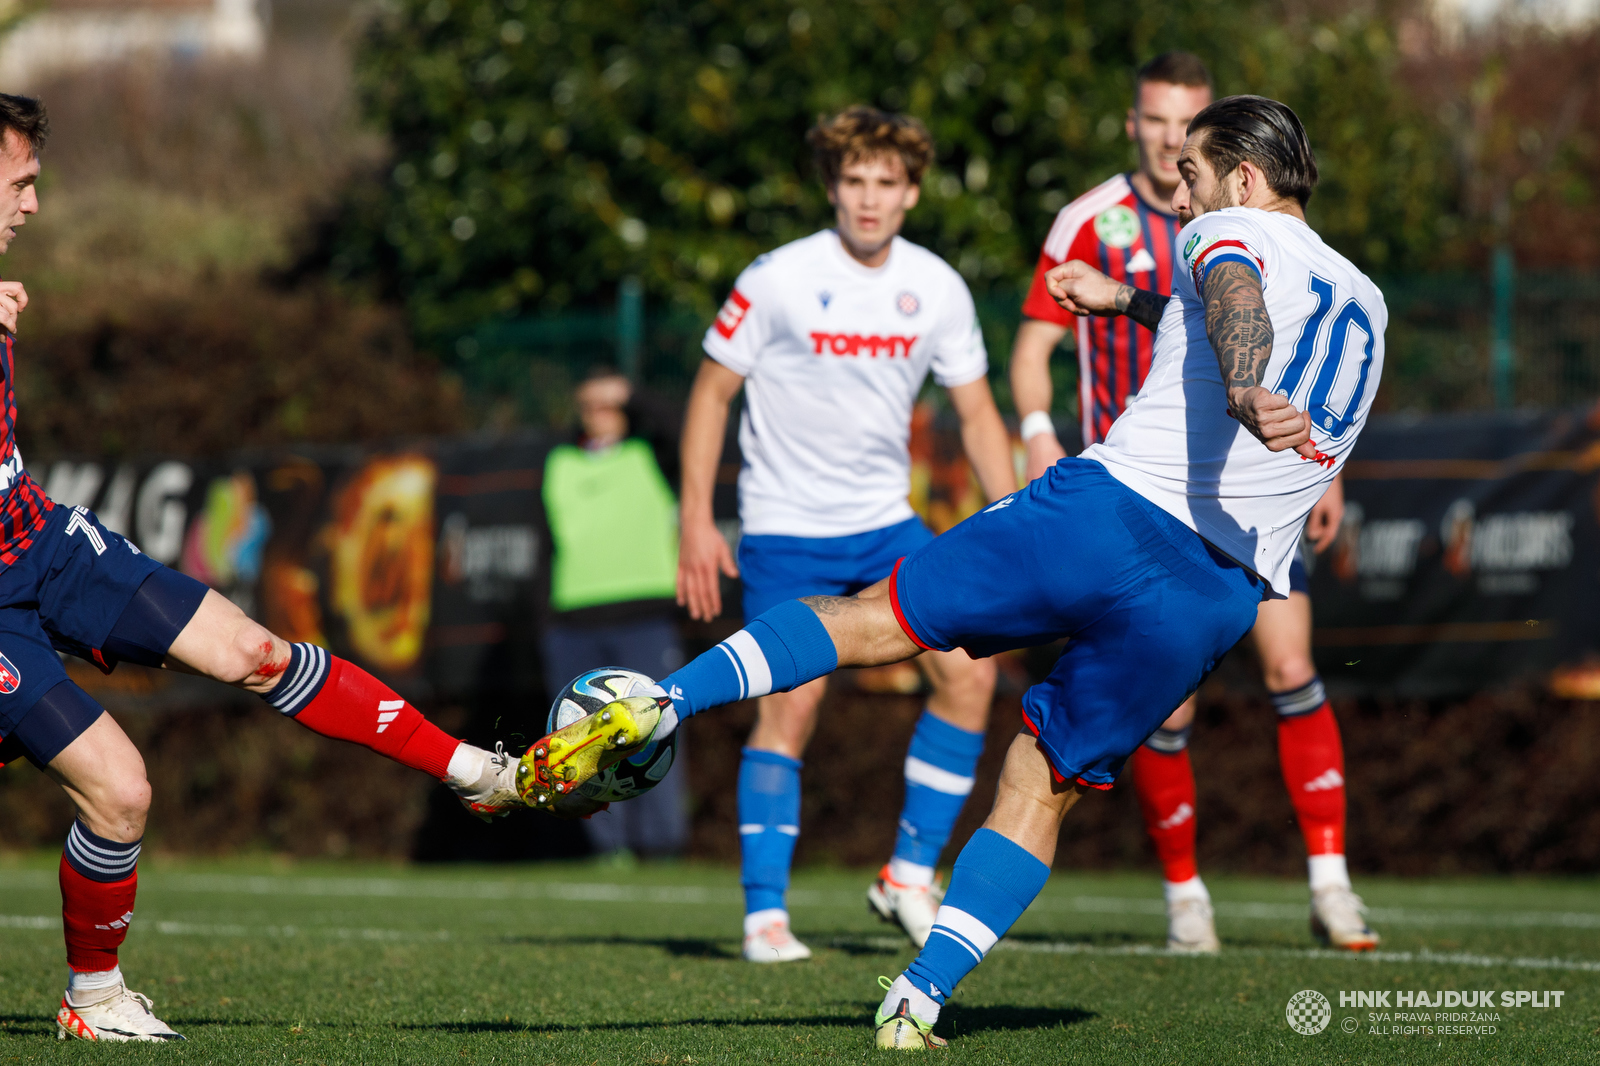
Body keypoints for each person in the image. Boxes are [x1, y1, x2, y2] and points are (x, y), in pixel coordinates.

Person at [524, 94, 1385, 1049]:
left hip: (1108, 517)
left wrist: (1239, 383)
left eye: (1190, 175)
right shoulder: (1369, 303)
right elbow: (1242, 310)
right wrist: (1126, 302)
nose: (1180, 198)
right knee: (1041, 781)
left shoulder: (1221, 229)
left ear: (1245, 179)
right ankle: (920, 995)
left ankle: (660, 705)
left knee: (876, 619)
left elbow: (1234, 297)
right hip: (1214, 594)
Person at [0, 95, 521, 1043]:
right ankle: (96, 994)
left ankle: (472, 770)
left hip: (40, 542)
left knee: (254, 650)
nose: (33, 204)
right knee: (121, 789)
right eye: (21, 182)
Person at [1011, 52, 1377, 954]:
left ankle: (1332, 885)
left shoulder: (1226, 217)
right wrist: (1035, 431)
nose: (1170, 140)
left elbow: (1275, 332)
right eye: (1156, 124)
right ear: (1134, 122)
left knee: (1291, 667)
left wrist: (1322, 472)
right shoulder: (1093, 218)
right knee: (1166, 712)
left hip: (1253, 481)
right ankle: (1185, 897)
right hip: (1140, 487)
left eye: (1187, 128)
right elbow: (1040, 345)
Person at [672, 106, 1015, 962]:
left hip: (886, 526)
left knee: (971, 678)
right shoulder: (776, 276)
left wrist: (1013, 519)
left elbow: (975, 410)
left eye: (886, 183)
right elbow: (712, 393)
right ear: (832, 187)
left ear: (911, 193)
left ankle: (906, 874)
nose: (869, 199)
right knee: (791, 707)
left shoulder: (937, 286)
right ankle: (763, 917)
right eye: (854, 181)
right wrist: (692, 522)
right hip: (786, 530)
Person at [541, 367, 689, 857]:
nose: (601, 416)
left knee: (655, 733)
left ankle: (662, 845)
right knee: (583, 744)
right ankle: (610, 849)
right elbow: (545, 545)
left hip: (644, 617)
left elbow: (679, 429)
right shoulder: (558, 461)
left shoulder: (653, 454)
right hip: (574, 622)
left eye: (612, 407)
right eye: (592, 406)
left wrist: (633, 396)